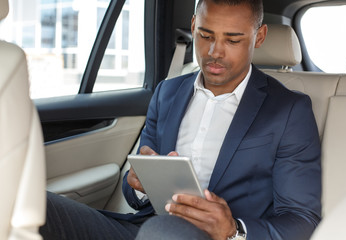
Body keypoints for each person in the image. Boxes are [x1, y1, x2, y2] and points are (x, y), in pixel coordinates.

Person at [40, 0, 322, 239]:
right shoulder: (168, 92)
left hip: (213, 237)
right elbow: (133, 188)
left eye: (233, 40)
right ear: (193, 26)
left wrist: (233, 229)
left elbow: (300, 218)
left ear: (259, 37)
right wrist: (139, 185)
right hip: (147, 227)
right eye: (206, 35)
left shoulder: (288, 110)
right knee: (36, 203)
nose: (214, 52)